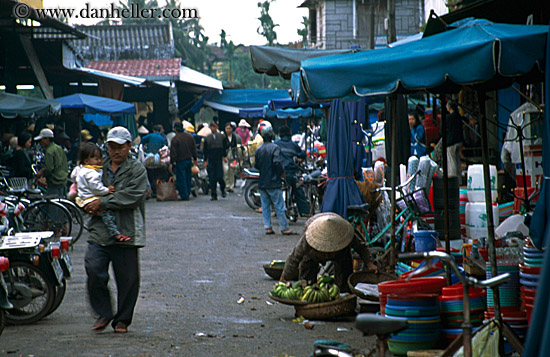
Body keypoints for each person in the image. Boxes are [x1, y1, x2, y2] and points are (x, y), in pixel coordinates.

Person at [83, 126, 147, 334]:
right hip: (100, 229)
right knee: (93, 268)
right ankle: (104, 312)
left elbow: (132, 196)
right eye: (112, 147)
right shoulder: (97, 167)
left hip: (126, 229)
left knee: (128, 279)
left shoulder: (137, 169)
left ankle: (122, 320)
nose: (116, 151)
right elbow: (84, 188)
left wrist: (102, 202)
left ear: (129, 146)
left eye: (120, 147)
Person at [280, 212, 377, 292]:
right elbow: (295, 257)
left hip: (341, 254)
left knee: (344, 283)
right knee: (307, 284)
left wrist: (369, 263)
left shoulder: (345, 232)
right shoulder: (309, 238)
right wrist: (284, 277)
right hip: (313, 254)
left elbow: (361, 247)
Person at [71, 142, 130, 242]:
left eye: (99, 158)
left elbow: (73, 177)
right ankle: (115, 233)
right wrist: (107, 190)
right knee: (107, 214)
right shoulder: (91, 173)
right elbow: (96, 187)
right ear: (86, 160)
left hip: (83, 197)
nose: (99, 161)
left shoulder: (80, 169)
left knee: (101, 213)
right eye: (95, 158)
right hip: (90, 198)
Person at [254, 126, 295, 235]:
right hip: (273, 181)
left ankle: (268, 227)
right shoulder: (275, 148)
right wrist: (282, 173)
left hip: (262, 181)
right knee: (279, 206)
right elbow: (277, 163)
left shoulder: (259, 149)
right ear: (273, 135)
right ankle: (284, 227)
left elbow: (256, 165)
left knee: (266, 206)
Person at [274, 126, 310, 216]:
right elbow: (302, 155)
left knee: (274, 191)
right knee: (298, 190)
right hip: (291, 173)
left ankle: (275, 209)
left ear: (279, 134)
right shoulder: (293, 145)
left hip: (278, 174)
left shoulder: (275, 144)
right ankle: (304, 212)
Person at [34, 128, 68, 197]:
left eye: (42, 140)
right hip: (63, 181)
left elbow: (49, 168)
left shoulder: (49, 151)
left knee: (53, 205)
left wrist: (42, 175)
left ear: (47, 139)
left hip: (54, 183)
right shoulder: (59, 148)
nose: (41, 142)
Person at [170, 122, 198, 201]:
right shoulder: (189, 137)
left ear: (175, 129)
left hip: (180, 161)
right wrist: (195, 159)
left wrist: (172, 163)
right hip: (189, 160)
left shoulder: (175, 139)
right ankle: (187, 192)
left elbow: (173, 153)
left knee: (181, 178)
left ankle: (184, 195)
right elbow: (194, 149)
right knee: (188, 177)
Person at [202, 122, 228, 201]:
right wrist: (205, 160)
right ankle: (214, 194)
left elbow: (224, 147)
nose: (212, 129)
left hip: (219, 158)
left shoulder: (222, 136)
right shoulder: (207, 138)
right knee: (212, 177)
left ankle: (222, 189)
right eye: (211, 127)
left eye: (214, 127)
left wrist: (224, 156)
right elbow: (205, 150)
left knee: (220, 176)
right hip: (211, 158)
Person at [444, 100, 464, 177]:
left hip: (451, 141)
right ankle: (459, 178)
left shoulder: (448, 117)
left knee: (451, 160)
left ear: (449, 107)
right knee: (457, 160)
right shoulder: (458, 116)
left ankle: (453, 178)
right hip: (459, 140)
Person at [223, 122, 241, 193]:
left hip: (233, 155)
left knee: (232, 171)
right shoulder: (223, 137)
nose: (228, 130)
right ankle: (227, 185)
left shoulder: (234, 137)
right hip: (225, 156)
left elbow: (236, 147)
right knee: (226, 170)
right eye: (227, 128)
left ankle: (231, 186)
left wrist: (236, 157)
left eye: (229, 128)